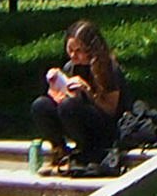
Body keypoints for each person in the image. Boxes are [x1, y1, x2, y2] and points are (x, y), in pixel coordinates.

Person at [38, 18, 128, 176]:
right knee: (42, 105)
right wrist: (57, 91)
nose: (73, 55)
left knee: (68, 106)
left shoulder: (108, 69)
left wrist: (87, 91)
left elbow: (111, 110)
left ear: (91, 49)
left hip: (105, 125)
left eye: (78, 51)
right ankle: (59, 151)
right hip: (77, 115)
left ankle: (86, 152)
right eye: (70, 50)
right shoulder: (71, 67)